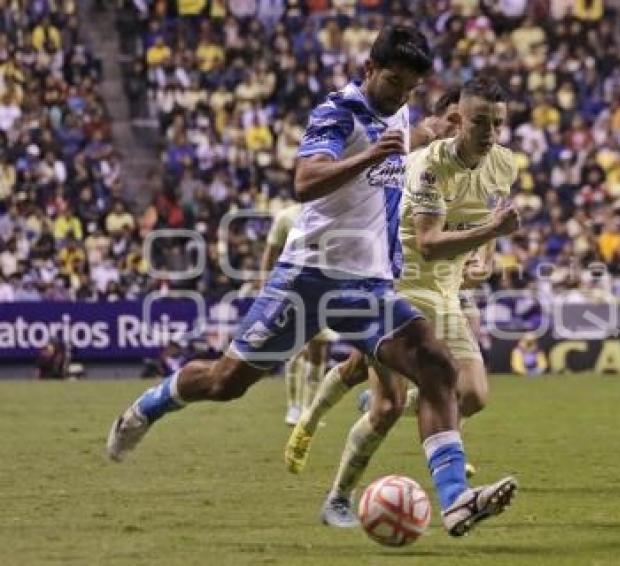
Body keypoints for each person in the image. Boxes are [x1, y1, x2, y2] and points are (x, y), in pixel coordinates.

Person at [106, 25, 516, 537]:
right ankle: (150, 406)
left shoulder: (400, 112)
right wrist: (371, 156)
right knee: (225, 383)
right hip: (309, 279)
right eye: (392, 82)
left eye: (409, 88)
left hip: (368, 286)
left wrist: (435, 127)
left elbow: (411, 137)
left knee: (436, 366)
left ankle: (456, 501)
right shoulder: (335, 113)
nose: (399, 95)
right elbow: (304, 181)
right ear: (369, 69)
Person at [284, 77, 520, 527]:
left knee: (474, 393)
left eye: (498, 124)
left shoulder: (503, 165)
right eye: (480, 123)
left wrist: (486, 256)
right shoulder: (426, 166)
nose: (490, 133)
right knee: (385, 406)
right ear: (457, 119)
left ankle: (430, 427)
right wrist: (491, 233)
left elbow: (490, 210)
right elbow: (430, 242)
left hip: (445, 294)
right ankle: (337, 495)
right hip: (401, 288)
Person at [261, 201, 338, 426]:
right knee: (297, 347)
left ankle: (308, 409)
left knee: (319, 351)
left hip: (324, 290)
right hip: (293, 289)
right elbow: (271, 251)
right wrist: (266, 284)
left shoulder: (332, 213)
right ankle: (293, 407)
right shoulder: (286, 217)